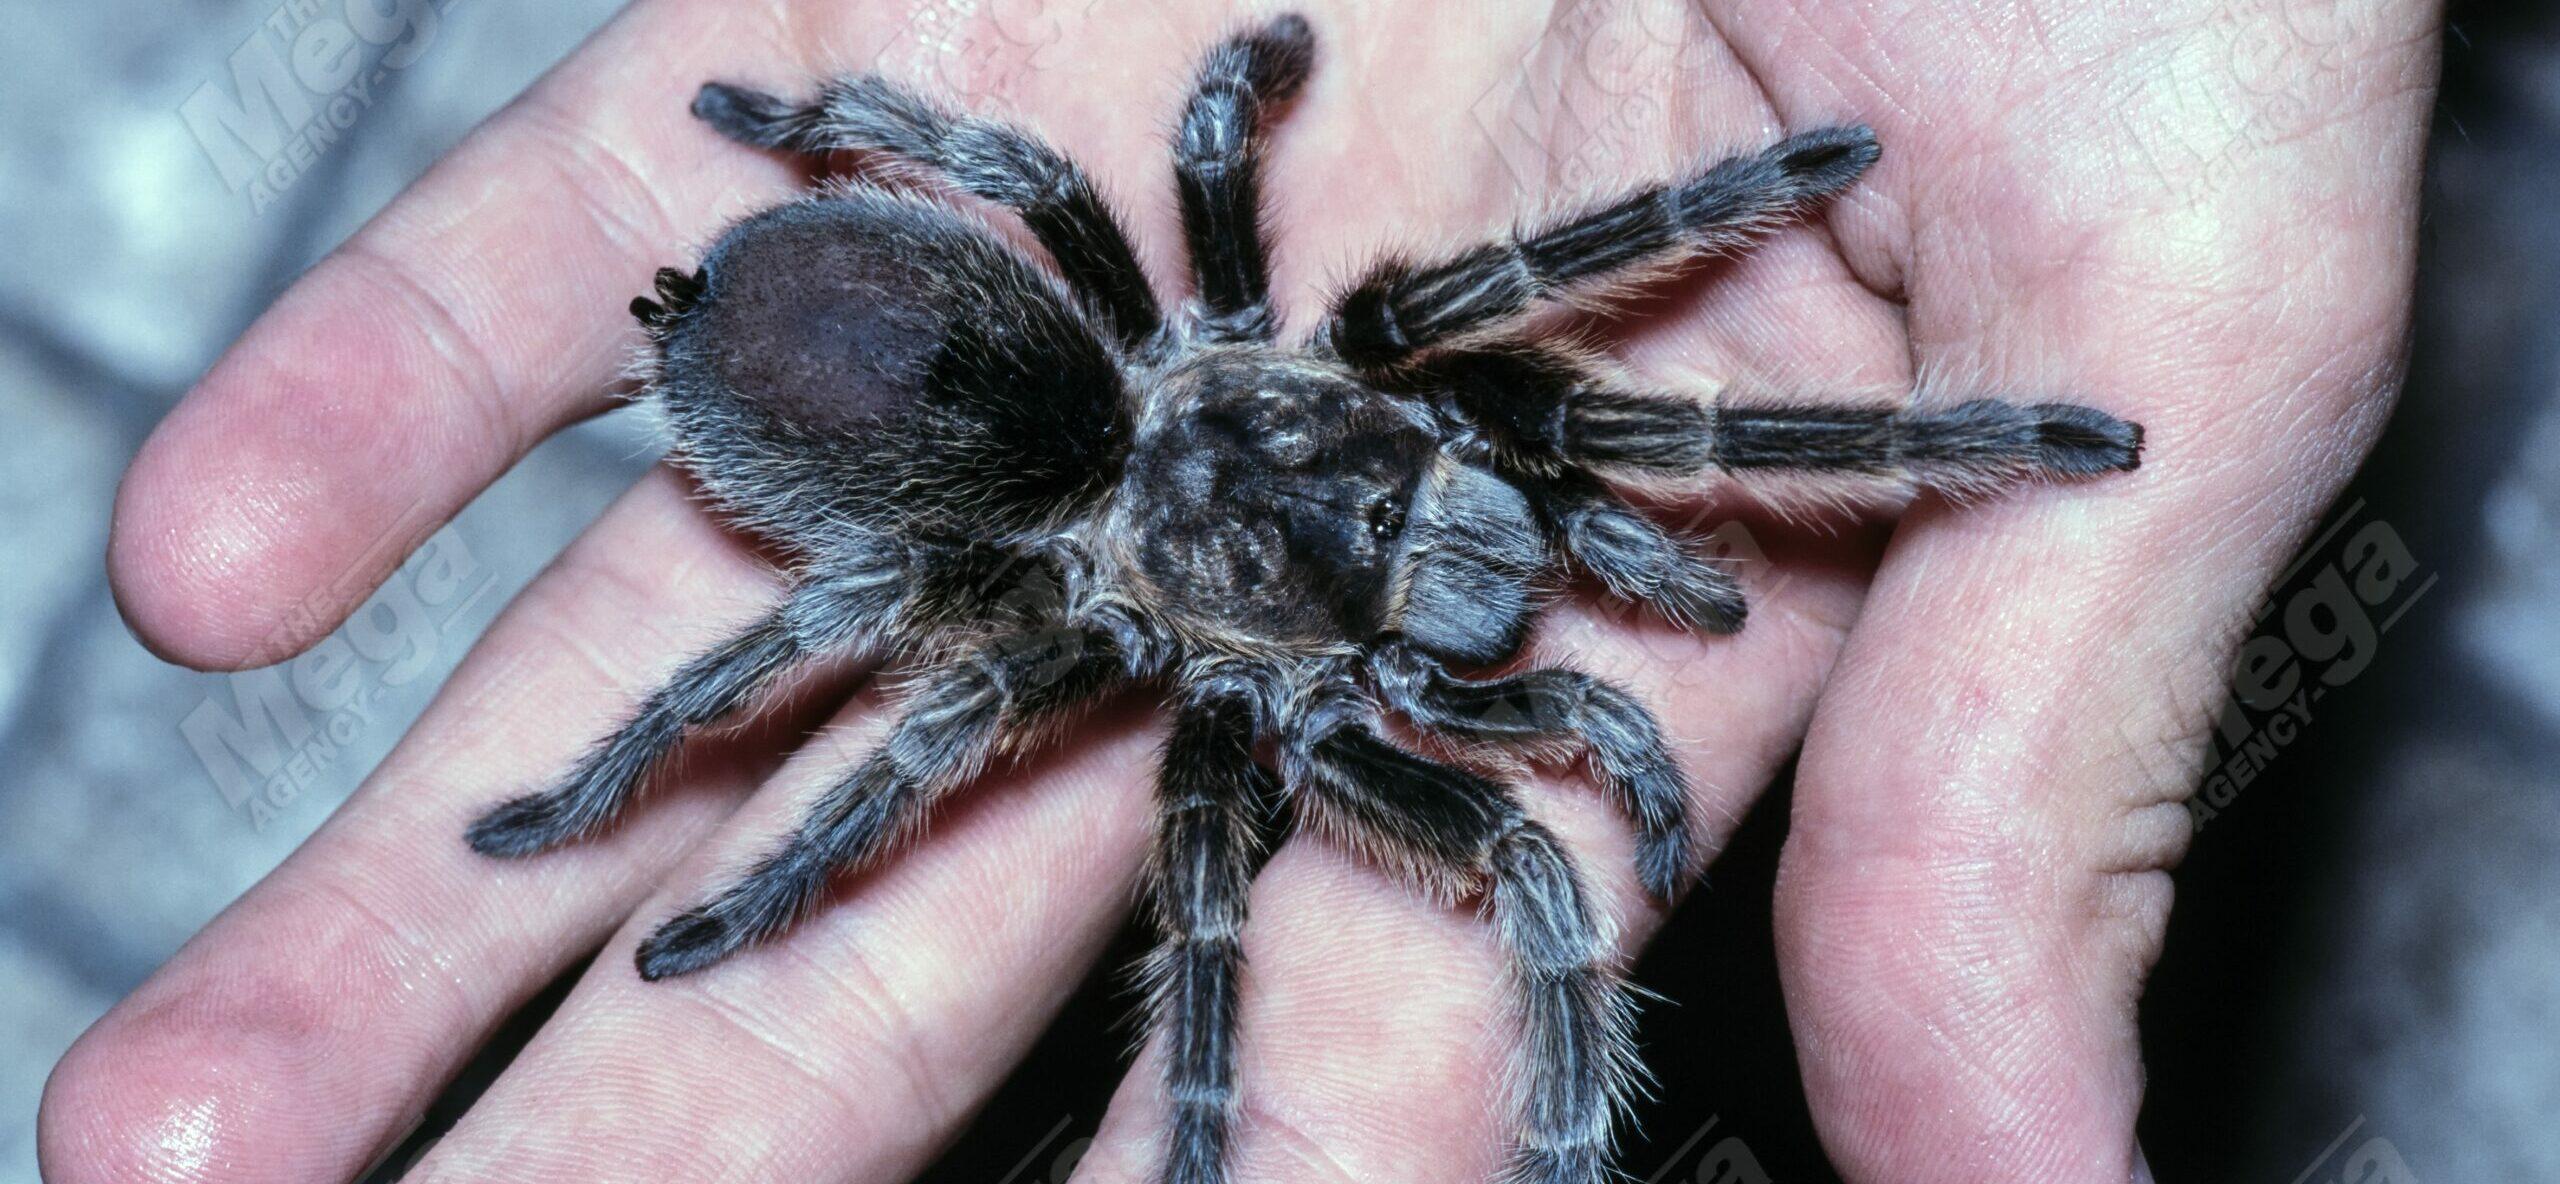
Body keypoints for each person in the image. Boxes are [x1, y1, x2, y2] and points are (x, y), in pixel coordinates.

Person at [43, 1, 2439, 1181]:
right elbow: (1210, 139)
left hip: (1048, 370)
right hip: (957, 409)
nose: (1493, 544)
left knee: (1630, 444)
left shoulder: (1340, 354)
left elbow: (1232, 109)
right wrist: (701, 836)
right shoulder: (1166, 640)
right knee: (962, 713)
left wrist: (1955, 403)